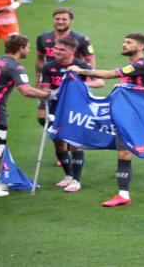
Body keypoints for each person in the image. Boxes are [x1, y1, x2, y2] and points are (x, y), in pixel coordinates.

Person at [68, 33, 144, 207]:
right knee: (124, 153)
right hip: (127, 115)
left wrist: (81, 71)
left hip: (142, 116)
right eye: (124, 41)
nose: (123, 45)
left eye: (128, 42)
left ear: (140, 47)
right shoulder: (132, 65)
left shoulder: (142, 65)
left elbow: (111, 74)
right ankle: (123, 195)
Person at [0, 34, 54, 197]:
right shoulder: (15, 67)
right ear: (20, 48)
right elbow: (26, 90)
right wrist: (47, 95)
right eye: (28, 47)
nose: (29, 50)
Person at [39, 36, 104, 192]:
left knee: (74, 143)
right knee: (58, 141)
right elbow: (45, 89)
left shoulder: (81, 65)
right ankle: (68, 175)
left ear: (72, 51)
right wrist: (52, 93)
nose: (56, 51)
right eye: (55, 48)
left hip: (76, 109)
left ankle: (76, 180)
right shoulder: (49, 66)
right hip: (56, 108)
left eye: (61, 49)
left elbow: (100, 82)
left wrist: (77, 85)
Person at [35, 7, 96, 165]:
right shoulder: (43, 37)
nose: (60, 21)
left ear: (70, 21)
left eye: (64, 19)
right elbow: (40, 59)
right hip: (51, 81)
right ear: (53, 19)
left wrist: (87, 79)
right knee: (43, 118)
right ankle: (62, 143)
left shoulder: (81, 38)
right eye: (57, 18)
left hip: (74, 84)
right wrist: (39, 79)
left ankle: (66, 146)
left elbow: (90, 59)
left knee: (69, 119)